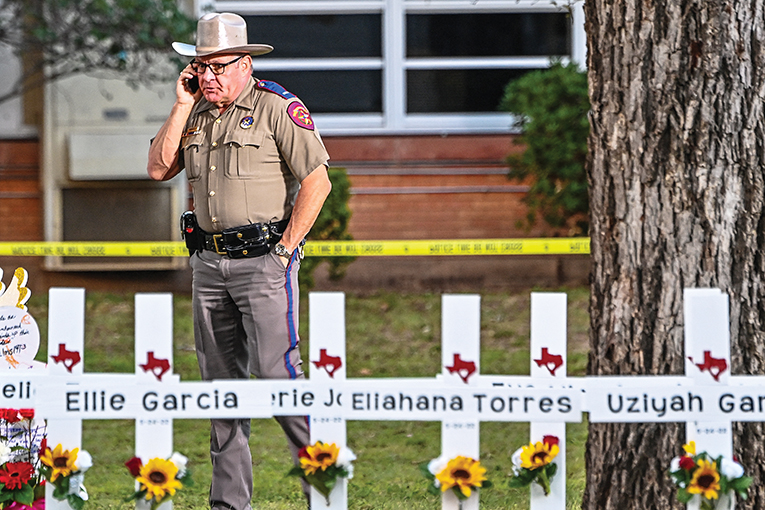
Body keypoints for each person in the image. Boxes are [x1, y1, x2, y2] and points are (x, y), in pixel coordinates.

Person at [147, 12, 331, 510]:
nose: (208, 76)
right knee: (219, 387)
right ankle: (229, 504)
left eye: (219, 66)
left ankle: (325, 489)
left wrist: (286, 250)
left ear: (245, 64)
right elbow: (159, 167)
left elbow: (318, 182)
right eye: (200, 67)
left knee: (279, 379)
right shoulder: (196, 113)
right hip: (208, 264)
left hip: (265, 262)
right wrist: (180, 104)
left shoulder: (277, 108)